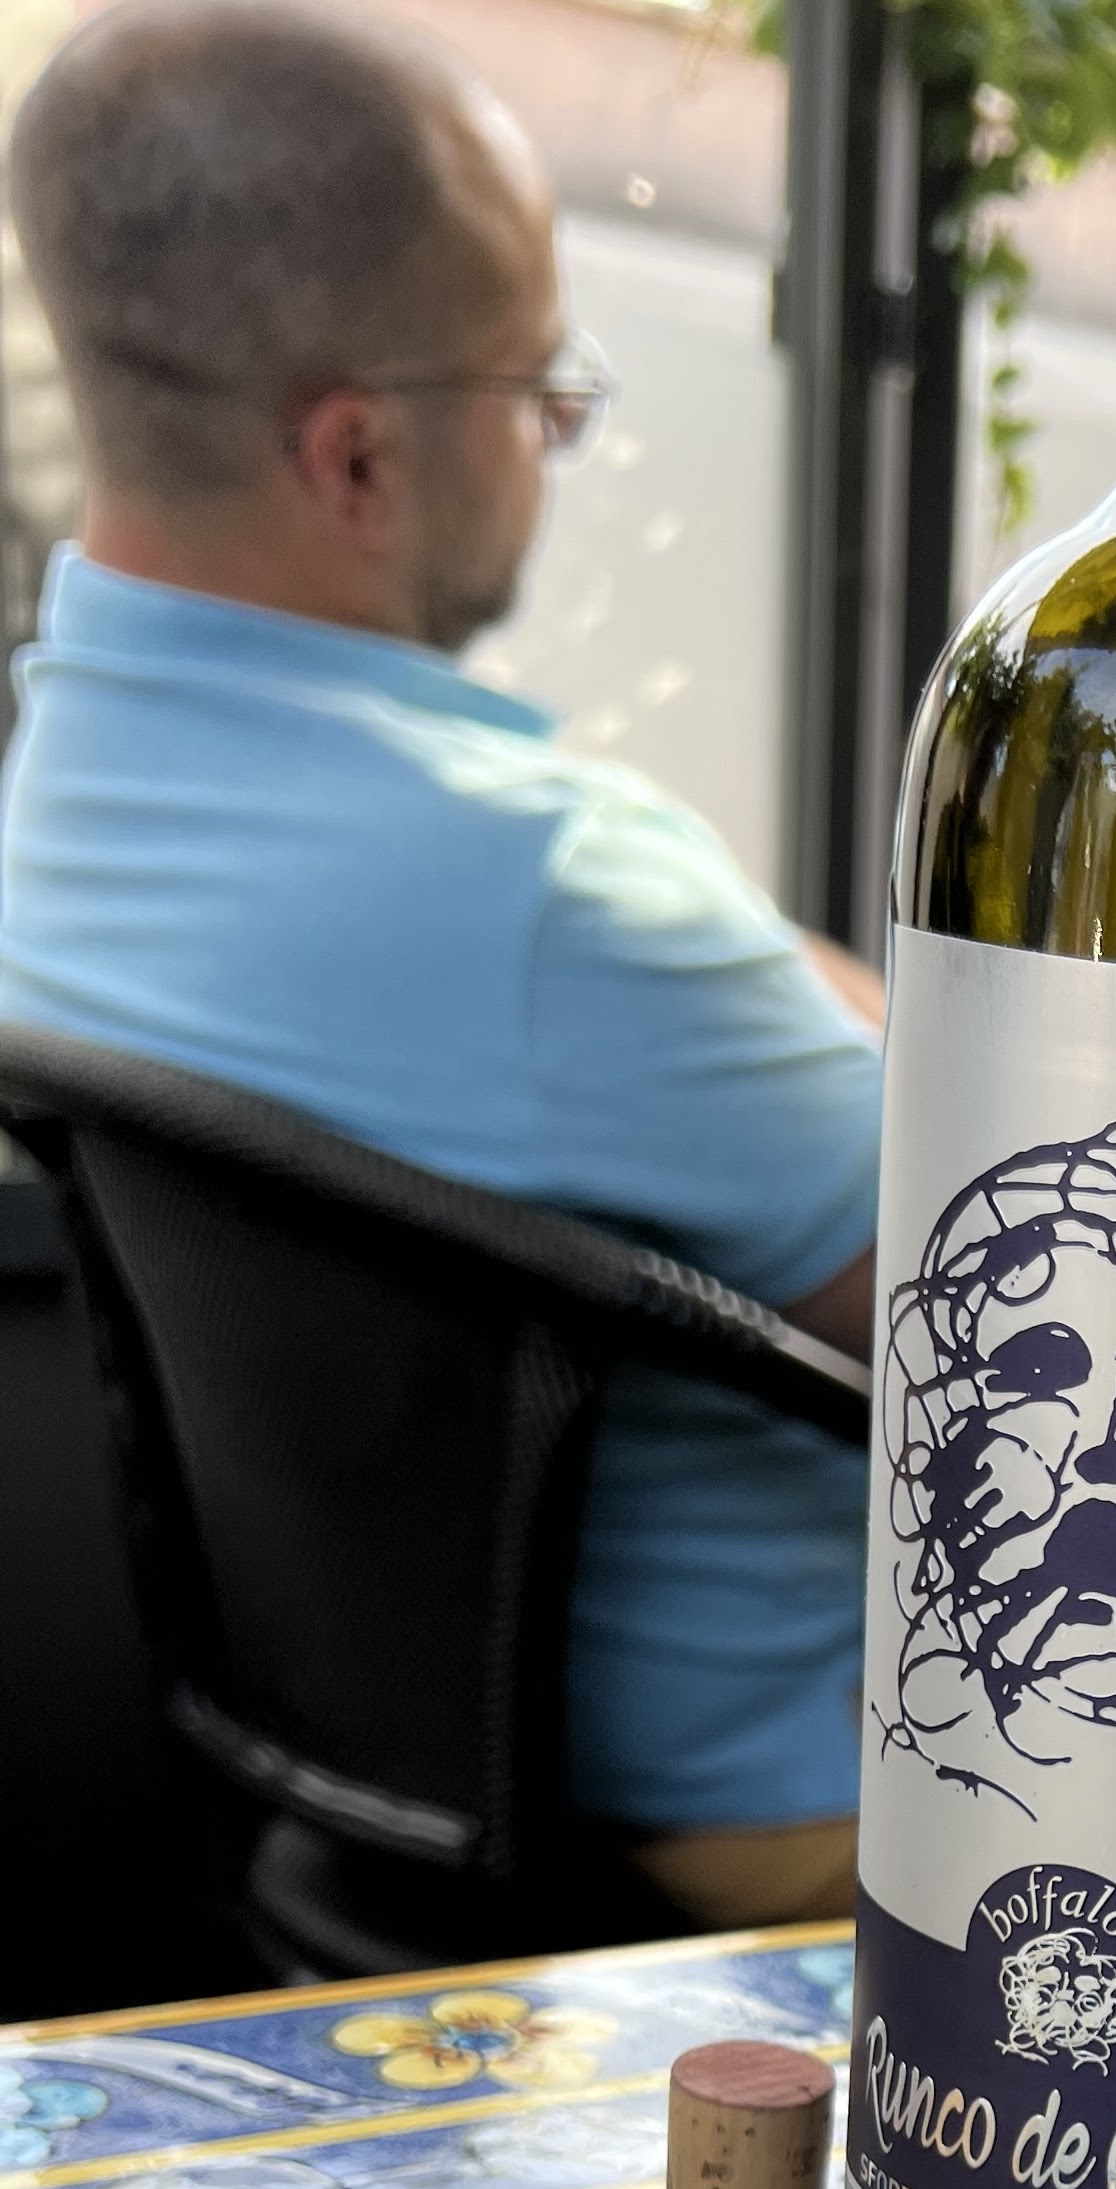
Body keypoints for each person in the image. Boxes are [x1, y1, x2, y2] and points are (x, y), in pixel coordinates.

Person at [0, 0, 879, 1929]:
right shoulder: (548, 898)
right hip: (810, 1826)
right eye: (536, 385)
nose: (557, 438)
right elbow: (1043, 1285)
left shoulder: (63, 767)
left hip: (376, 1799)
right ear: (359, 458)